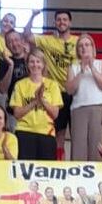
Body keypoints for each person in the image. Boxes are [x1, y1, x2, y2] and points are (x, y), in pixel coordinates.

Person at [24, 9, 79, 154]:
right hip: (57, 93)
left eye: (65, 19)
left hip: (76, 92)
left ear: (70, 22)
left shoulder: (78, 42)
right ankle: (59, 164)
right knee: (58, 134)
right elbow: (27, 35)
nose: (62, 22)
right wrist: (33, 15)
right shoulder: (48, 40)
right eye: (59, 19)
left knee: (77, 135)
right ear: (54, 23)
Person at [11, 49, 62, 160]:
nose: (35, 65)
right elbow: (17, 113)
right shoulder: (20, 85)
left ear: (43, 64)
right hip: (24, 132)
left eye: (38, 61)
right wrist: (34, 101)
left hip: (47, 133)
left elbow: (55, 114)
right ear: (27, 64)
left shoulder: (52, 85)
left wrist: (42, 100)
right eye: (32, 62)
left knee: (45, 174)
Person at [66, 34, 102, 161]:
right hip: (78, 109)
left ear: (92, 47)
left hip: (98, 108)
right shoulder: (73, 67)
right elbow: (70, 89)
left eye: (87, 45)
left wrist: (91, 67)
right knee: (78, 148)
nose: (84, 48)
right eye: (80, 46)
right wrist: (81, 70)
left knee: (97, 145)